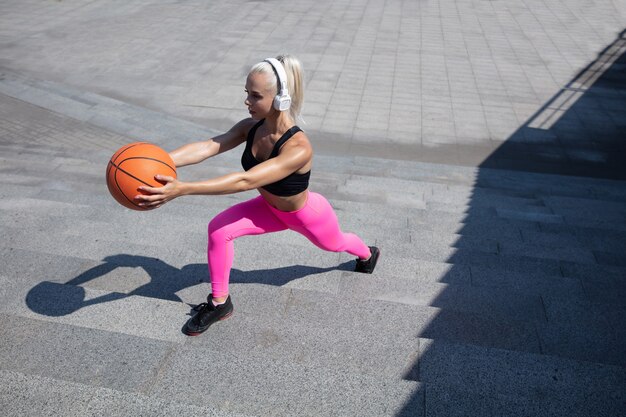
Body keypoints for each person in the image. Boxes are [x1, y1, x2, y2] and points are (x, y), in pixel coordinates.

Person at [135, 54, 380, 336]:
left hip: (305, 215)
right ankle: (219, 302)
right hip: (268, 210)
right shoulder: (249, 128)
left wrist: (183, 189)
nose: (247, 102)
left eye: (255, 96)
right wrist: (158, 160)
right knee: (218, 229)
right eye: (246, 94)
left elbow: (245, 180)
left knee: (335, 244)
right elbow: (208, 146)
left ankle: (367, 253)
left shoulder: (298, 148)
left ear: (280, 99)